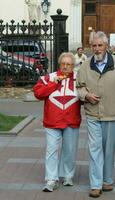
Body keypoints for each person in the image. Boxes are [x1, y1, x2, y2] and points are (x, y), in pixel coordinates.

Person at [76, 31, 115, 198]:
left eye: (100, 45)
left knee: (108, 150)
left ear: (106, 46)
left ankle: (107, 180)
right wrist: (86, 95)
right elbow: (79, 86)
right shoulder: (85, 65)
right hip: (93, 115)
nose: (97, 49)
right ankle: (95, 184)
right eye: (94, 45)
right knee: (94, 149)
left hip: (113, 114)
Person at [33, 52, 81, 192]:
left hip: (71, 120)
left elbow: (85, 95)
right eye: (63, 64)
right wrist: (53, 85)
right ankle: (51, 179)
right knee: (51, 150)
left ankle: (67, 176)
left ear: (73, 66)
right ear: (60, 64)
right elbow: (38, 93)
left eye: (69, 64)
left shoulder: (79, 79)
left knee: (70, 150)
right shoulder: (49, 78)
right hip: (52, 121)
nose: (66, 67)